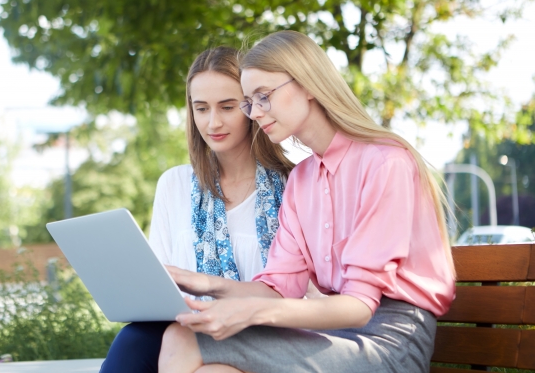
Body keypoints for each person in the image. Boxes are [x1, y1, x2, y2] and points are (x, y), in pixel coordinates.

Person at [158, 31, 457, 373]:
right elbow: (279, 288)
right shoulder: (302, 180)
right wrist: (206, 285)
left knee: (183, 340)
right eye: (249, 101)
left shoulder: (385, 163)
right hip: (335, 335)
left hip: (389, 343)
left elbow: (360, 305)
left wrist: (249, 313)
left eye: (264, 96)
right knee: (199, 354)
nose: (254, 113)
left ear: (309, 84)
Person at [98, 46, 294, 372]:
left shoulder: (292, 186)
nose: (213, 122)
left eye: (227, 107)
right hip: (188, 324)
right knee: (133, 341)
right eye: (201, 108)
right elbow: (158, 279)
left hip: (264, 332)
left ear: (252, 106)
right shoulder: (174, 184)